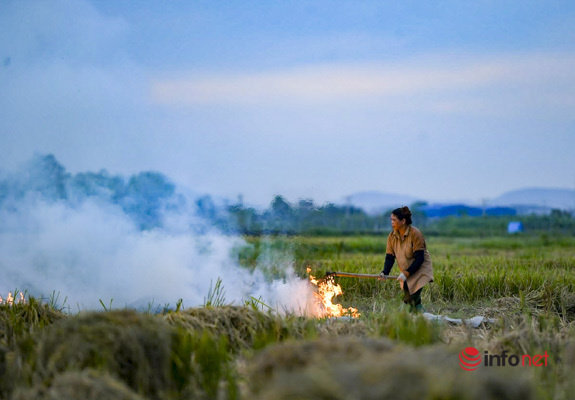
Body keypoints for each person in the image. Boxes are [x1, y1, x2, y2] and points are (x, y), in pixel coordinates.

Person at [379, 206, 433, 312]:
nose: (392, 223)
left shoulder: (415, 234)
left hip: (419, 270)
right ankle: (424, 320)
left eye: (394, 220)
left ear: (403, 221)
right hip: (407, 270)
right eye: (391, 220)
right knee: (414, 302)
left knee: (410, 299)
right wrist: (385, 272)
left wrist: (406, 274)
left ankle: (406, 318)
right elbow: (390, 257)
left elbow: (419, 258)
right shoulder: (391, 236)